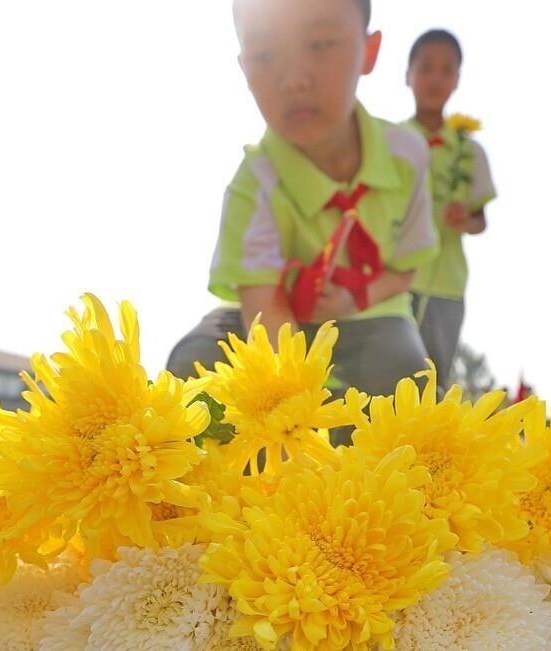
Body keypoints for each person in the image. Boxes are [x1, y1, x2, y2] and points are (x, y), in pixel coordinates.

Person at [167, 0, 439, 408]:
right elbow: (265, 310)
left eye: (320, 44)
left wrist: (354, 299)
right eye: (264, 55)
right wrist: (294, 410)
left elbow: (406, 268)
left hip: (372, 311)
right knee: (195, 364)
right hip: (273, 317)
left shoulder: (407, 155)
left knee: (402, 376)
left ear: (368, 52)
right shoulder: (254, 183)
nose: (293, 80)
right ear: (244, 68)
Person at [401, 29, 495, 387]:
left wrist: (466, 220)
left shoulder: (470, 151)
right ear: (408, 75)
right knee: (383, 375)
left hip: (446, 284)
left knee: (433, 378)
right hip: (392, 279)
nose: (435, 78)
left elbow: (481, 220)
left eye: (446, 70)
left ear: (457, 79)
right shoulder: (389, 141)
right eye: (425, 67)